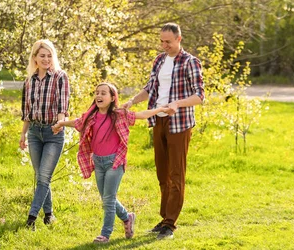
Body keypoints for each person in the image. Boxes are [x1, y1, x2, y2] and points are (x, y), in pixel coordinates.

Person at [52, 83, 171, 243]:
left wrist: (160, 109)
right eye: (97, 93)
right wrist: (61, 123)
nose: (99, 96)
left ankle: (105, 234)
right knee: (107, 198)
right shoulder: (91, 116)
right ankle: (127, 217)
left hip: (115, 162)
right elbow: (78, 122)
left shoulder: (119, 114)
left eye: (103, 93)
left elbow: (141, 115)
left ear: (112, 97)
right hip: (98, 162)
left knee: (108, 199)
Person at [122, 23, 205, 240]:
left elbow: (200, 96)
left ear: (179, 39)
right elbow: (150, 88)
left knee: (176, 173)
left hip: (179, 123)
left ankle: (170, 223)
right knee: (162, 173)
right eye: (161, 41)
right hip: (157, 120)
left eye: (168, 41)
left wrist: (177, 103)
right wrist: (131, 101)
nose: (164, 45)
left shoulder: (190, 62)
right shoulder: (159, 60)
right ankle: (164, 218)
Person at [19, 39, 70, 231]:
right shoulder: (29, 81)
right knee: (41, 175)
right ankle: (49, 215)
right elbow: (26, 111)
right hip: (34, 132)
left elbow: (62, 106)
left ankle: (31, 218)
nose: (46, 59)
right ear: (35, 58)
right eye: (42, 55)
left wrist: (59, 124)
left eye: (49, 55)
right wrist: (23, 134)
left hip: (53, 133)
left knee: (43, 177)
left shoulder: (60, 77)